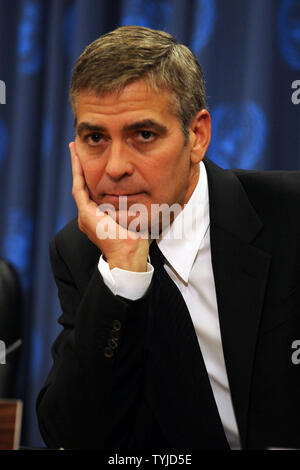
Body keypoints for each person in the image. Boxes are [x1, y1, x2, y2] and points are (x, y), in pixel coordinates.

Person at [36, 25, 300, 450]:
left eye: (143, 135)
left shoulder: (290, 214)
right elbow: (72, 435)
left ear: (196, 136)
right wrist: (123, 275)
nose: (116, 166)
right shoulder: (81, 252)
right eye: (95, 138)